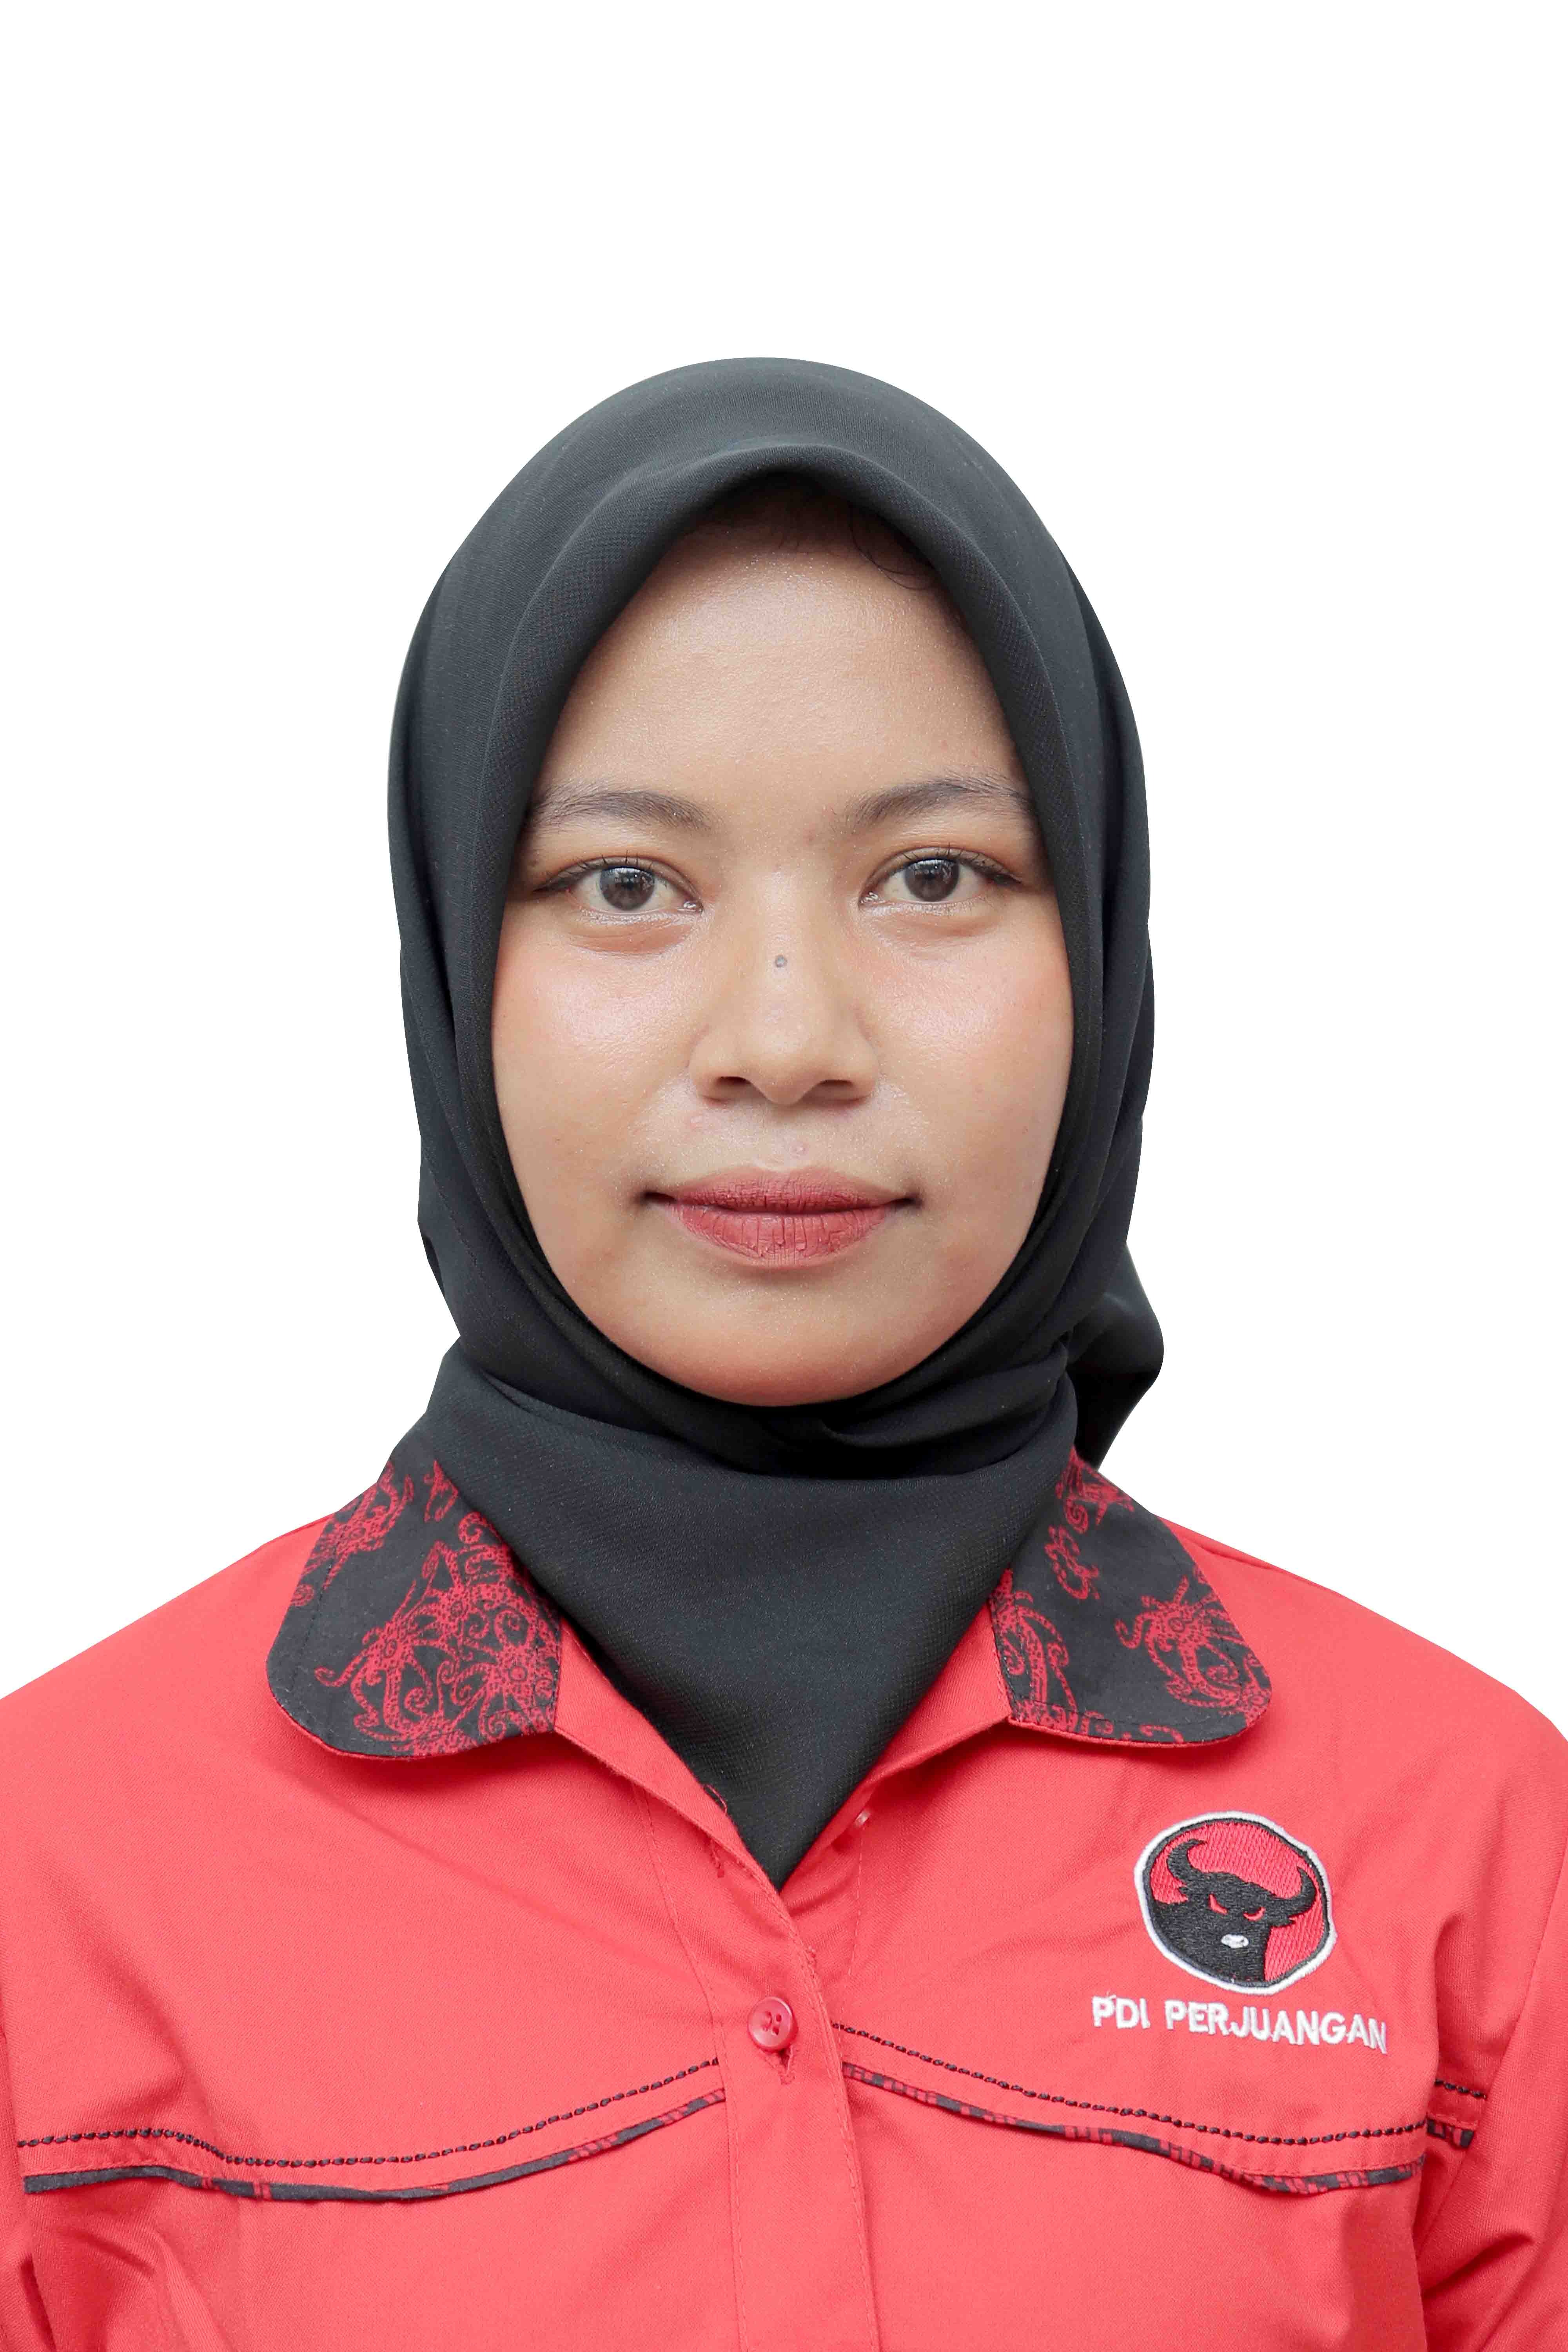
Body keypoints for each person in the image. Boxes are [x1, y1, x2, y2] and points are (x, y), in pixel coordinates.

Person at [0, 359, 1562, 2350]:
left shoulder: (1464, 1846)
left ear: (1099, 946)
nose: (786, 1038)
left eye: (934, 878)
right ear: (453, 962)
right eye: (624, 886)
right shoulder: (57, 1865)